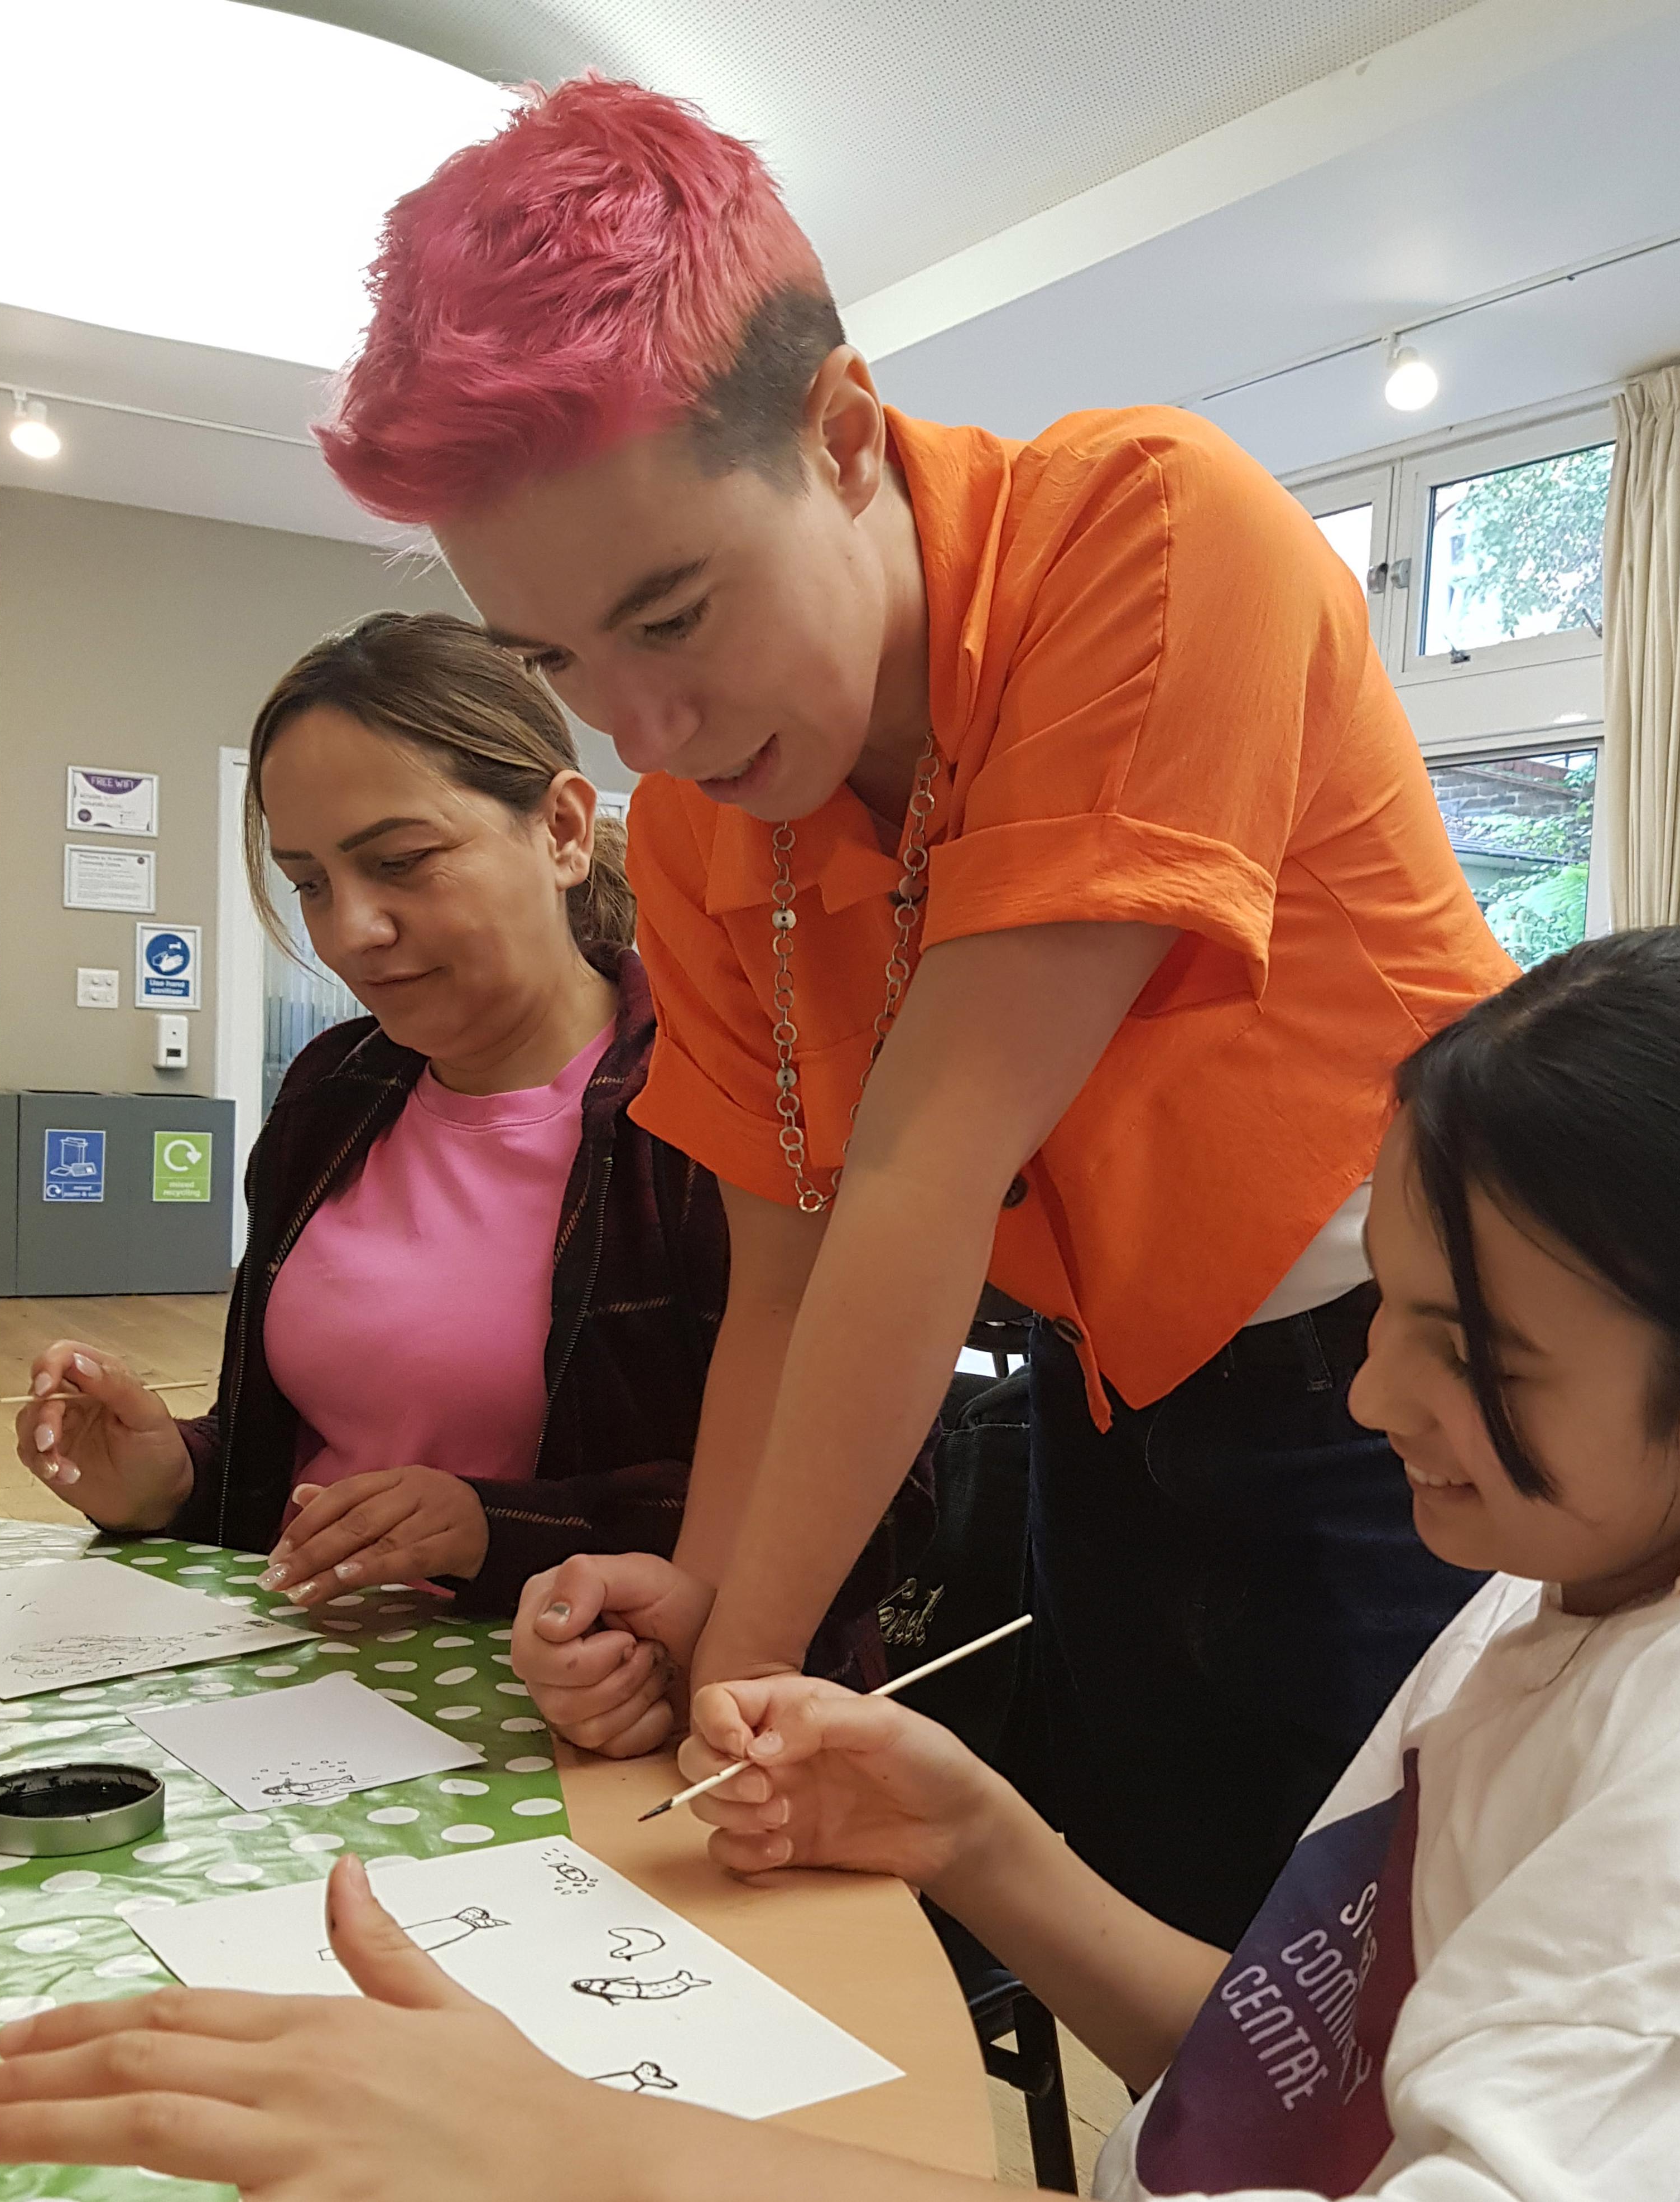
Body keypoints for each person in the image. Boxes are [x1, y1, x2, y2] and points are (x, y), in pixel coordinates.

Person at [0, 927, 1680, 2201]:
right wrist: (981, 1833)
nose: (1373, 1390)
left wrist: (608, 2144)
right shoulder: (1576, 1568)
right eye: (1381, 1304)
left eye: (1469, 1348)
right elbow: (1349, 2073)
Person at [310, 75, 1514, 1945]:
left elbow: (923, 1179)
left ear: (847, 431)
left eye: (679, 610)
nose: (645, 731)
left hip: (1428, 1374)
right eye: (560, 662)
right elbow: (781, 1274)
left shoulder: (1152, 525)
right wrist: (703, 1614)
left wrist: (731, 1691)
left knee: (1404, 1984)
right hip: (1108, 1388)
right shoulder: (713, 813)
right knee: (1151, 1913)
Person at [14, 612, 919, 1739]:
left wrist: (501, 1528)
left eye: (402, 862)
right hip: (300, 1715)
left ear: (561, 827)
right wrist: (174, 1474)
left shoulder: (714, 1100)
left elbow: (866, 1494)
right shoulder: (332, 1091)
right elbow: (307, 1468)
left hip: (627, 1722)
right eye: (308, 881)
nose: (354, 929)